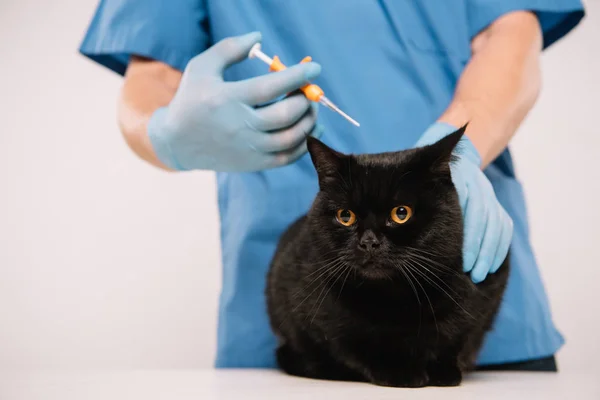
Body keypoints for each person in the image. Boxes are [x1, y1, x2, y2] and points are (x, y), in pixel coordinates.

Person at [79, 0, 584, 370]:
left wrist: (461, 150)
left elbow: (514, 33)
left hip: (471, 312)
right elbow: (150, 79)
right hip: (305, 320)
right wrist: (166, 132)